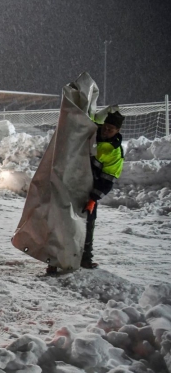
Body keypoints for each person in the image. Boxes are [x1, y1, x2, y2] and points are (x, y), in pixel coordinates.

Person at [47, 110, 125, 274]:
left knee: (86, 225)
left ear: (117, 131)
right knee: (61, 221)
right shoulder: (92, 133)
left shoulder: (114, 152)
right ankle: (54, 260)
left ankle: (85, 259)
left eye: (111, 129)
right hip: (69, 184)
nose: (106, 130)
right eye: (106, 126)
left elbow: (107, 179)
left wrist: (93, 199)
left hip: (88, 191)